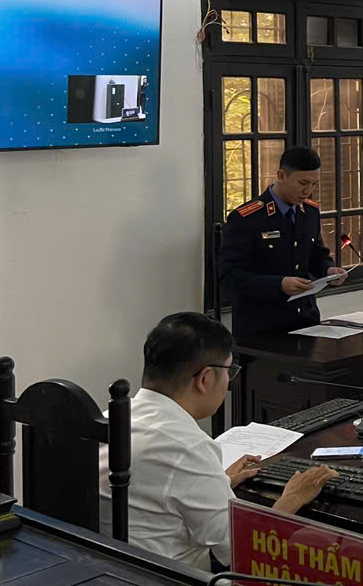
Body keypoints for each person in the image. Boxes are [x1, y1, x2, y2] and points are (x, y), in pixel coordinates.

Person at [98, 313, 337, 570]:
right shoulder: (187, 447)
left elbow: (160, 490)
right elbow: (240, 550)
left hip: (107, 569)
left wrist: (217, 482)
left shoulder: (108, 419)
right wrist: (293, 497)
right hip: (169, 576)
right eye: (229, 371)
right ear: (206, 378)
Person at [220, 146, 347, 340]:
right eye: (303, 183)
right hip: (263, 328)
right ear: (281, 176)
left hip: (306, 321)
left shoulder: (309, 212)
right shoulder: (248, 217)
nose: (308, 191)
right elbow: (229, 276)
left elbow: (316, 254)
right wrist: (278, 285)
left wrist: (329, 270)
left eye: (314, 184)